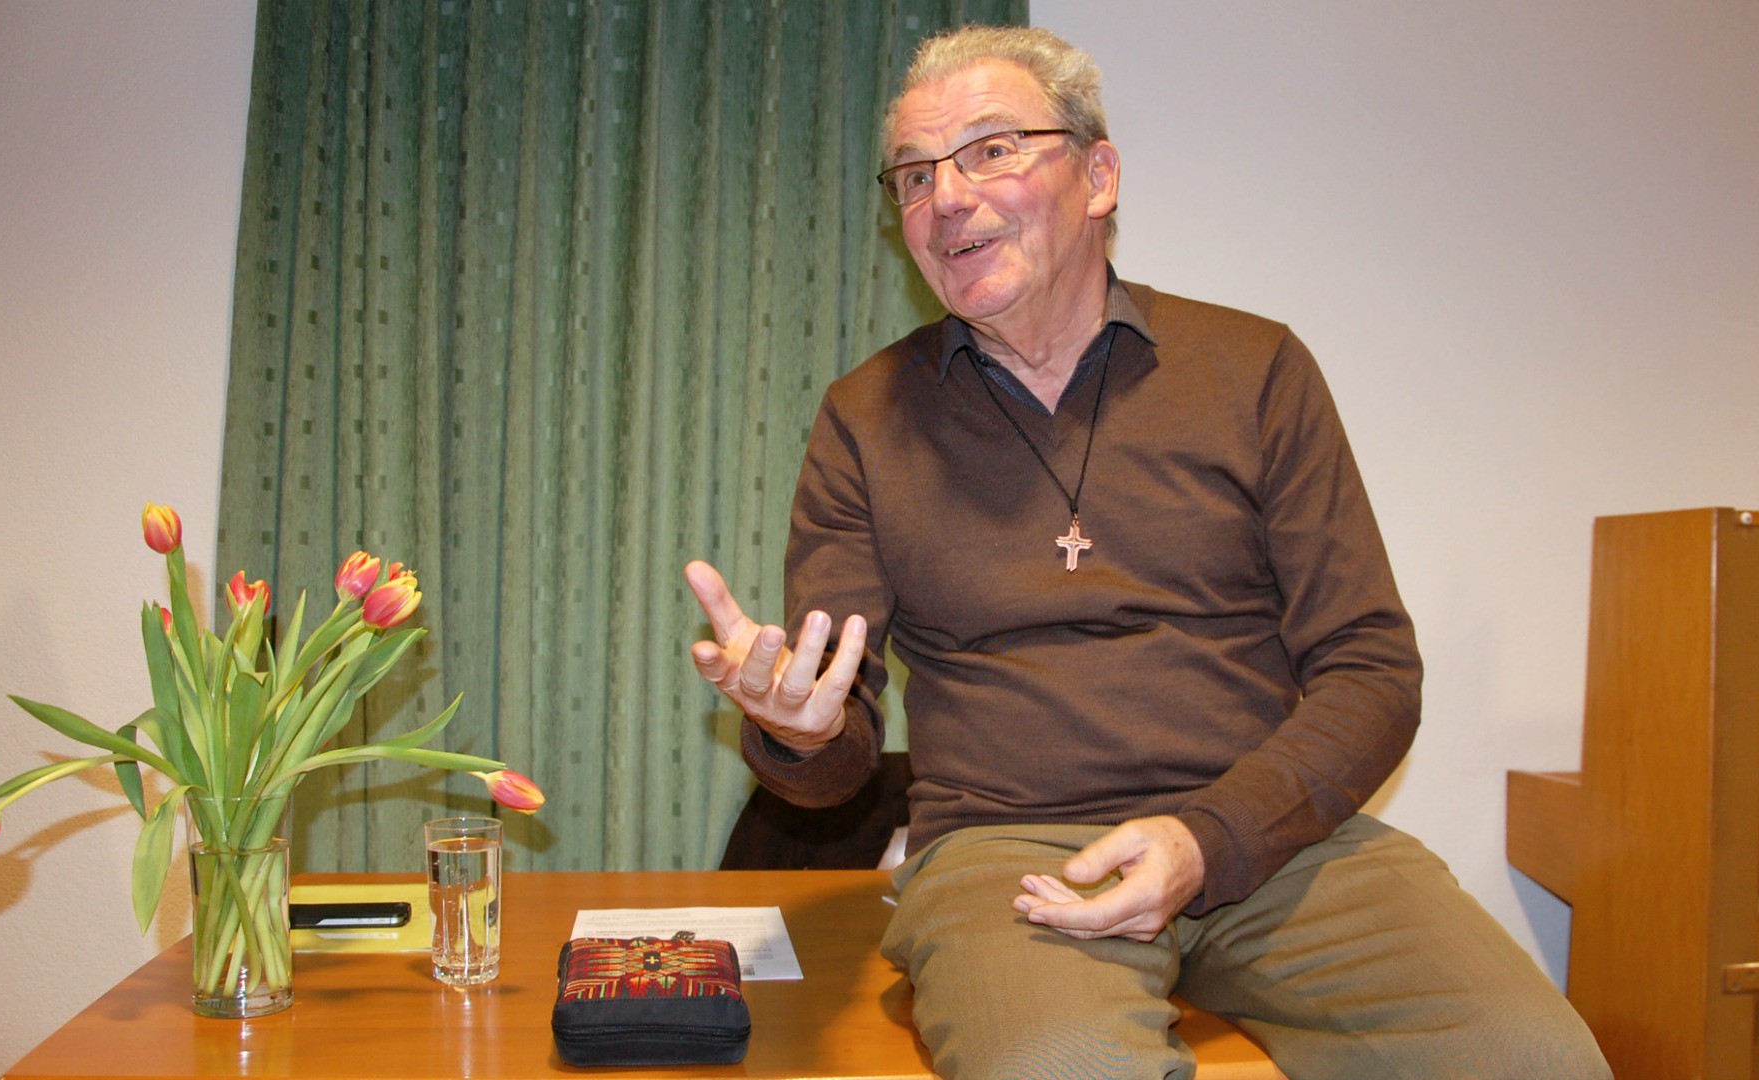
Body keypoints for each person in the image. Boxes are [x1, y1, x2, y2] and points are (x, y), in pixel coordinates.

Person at [686, 24, 1610, 1080]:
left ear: (1099, 175)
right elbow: (836, 755)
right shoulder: (865, 417)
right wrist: (798, 731)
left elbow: (1373, 672)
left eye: (992, 149)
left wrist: (1209, 838)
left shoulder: (1254, 368)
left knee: (1534, 1059)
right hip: (1013, 855)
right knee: (1063, 1069)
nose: (944, 196)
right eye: (914, 174)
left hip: (1276, 837)